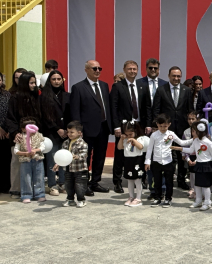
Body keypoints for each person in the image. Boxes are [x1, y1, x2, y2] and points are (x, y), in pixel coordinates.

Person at [70, 60, 112, 195]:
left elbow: (107, 106)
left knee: (100, 157)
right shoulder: (78, 87)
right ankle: (84, 184)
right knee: (85, 157)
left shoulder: (104, 86)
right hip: (86, 129)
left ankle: (95, 182)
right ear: (86, 70)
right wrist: (78, 130)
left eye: (99, 68)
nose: (97, 71)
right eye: (94, 68)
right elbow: (75, 110)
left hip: (103, 127)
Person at [110, 60, 152, 194]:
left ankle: (141, 178)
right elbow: (114, 108)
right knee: (120, 153)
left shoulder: (143, 85)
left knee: (141, 152)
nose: (132, 71)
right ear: (124, 70)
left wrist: (148, 124)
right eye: (129, 69)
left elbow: (147, 106)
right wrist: (116, 127)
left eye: (134, 69)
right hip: (124, 125)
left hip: (140, 125)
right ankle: (117, 181)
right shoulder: (118, 86)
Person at [145, 113, 189, 208]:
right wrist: (147, 161)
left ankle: (168, 199)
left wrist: (194, 139)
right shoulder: (154, 135)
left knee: (169, 181)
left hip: (168, 161)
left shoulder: (171, 134)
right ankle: (157, 198)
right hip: (156, 161)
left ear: (169, 124)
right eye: (160, 126)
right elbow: (150, 148)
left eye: (165, 126)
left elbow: (181, 142)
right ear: (157, 124)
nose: (162, 128)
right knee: (157, 181)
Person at [39, 70, 70, 196]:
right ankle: (52, 185)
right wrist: (57, 129)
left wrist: (67, 130)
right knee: (52, 159)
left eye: (59, 79)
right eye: (54, 79)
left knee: (64, 158)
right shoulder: (43, 97)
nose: (57, 81)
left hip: (66, 133)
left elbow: (71, 113)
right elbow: (45, 116)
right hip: (51, 133)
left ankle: (63, 183)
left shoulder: (67, 95)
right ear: (49, 81)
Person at [183, 120, 212, 210]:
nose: (192, 133)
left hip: (207, 165)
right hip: (198, 164)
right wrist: (180, 149)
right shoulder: (195, 141)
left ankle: (207, 202)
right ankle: (198, 201)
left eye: (194, 131)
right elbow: (191, 150)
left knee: (206, 186)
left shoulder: (208, 142)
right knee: (197, 184)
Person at [56, 121, 88, 208]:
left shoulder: (82, 143)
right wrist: (57, 163)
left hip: (80, 169)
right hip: (68, 169)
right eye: (68, 132)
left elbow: (84, 154)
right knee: (68, 185)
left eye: (72, 132)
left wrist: (77, 156)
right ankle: (70, 199)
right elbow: (62, 155)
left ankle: (81, 199)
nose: (69, 134)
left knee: (79, 185)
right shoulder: (65, 143)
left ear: (79, 133)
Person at [14, 117, 46, 204]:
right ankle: (26, 195)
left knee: (39, 177)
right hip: (25, 160)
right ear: (23, 129)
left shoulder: (39, 135)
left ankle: (40, 194)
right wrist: (25, 153)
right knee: (26, 178)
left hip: (37, 159)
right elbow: (16, 150)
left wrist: (35, 150)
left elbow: (43, 147)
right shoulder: (20, 137)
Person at [116, 121, 145, 207]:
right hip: (128, 160)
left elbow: (141, 147)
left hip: (137, 160)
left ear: (135, 131)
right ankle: (131, 196)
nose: (128, 136)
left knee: (137, 180)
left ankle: (138, 198)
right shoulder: (125, 139)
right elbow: (119, 147)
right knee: (130, 180)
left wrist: (133, 140)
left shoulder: (140, 138)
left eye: (130, 134)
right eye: (127, 134)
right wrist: (122, 139)